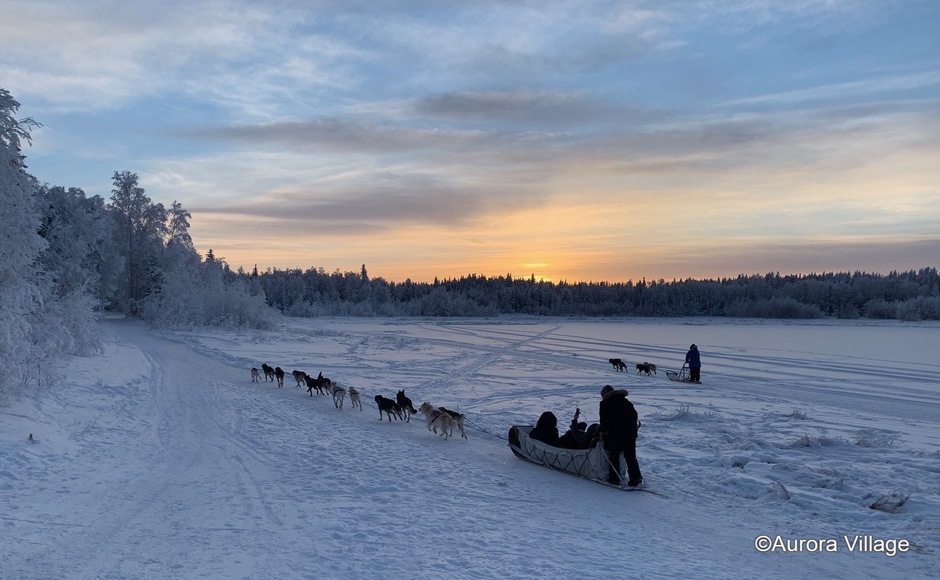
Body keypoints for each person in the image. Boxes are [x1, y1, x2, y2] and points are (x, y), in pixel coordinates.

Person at [598, 384, 643, 487]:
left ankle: (614, 479)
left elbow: (605, 423)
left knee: (614, 456)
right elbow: (634, 416)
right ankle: (636, 478)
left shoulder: (605, 404)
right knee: (631, 457)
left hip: (616, 435)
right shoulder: (626, 402)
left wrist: (601, 431)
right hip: (631, 434)